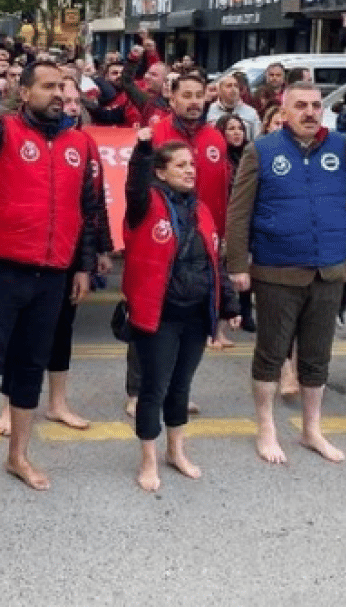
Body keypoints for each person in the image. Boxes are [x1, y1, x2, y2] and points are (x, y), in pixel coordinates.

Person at [226, 82, 346, 465]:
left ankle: (311, 429)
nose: (309, 112)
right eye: (300, 105)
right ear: (284, 111)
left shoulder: (340, 145)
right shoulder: (261, 150)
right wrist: (237, 264)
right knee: (271, 355)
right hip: (277, 271)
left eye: (316, 105)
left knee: (317, 357)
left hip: (328, 270)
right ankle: (266, 427)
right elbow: (239, 212)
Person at [0, 62, 101, 506]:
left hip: (53, 274)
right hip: (1, 270)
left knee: (31, 367)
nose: (58, 94)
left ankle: (18, 456)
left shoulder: (80, 144)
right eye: (48, 86)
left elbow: (88, 210)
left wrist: (83, 267)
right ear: (24, 93)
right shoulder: (2, 131)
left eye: (63, 87)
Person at [0, 77, 112, 437]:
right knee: (19, 333)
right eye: (64, 98)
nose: (69, 104)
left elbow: (93, 206)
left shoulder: (84, 144)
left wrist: (92, 258)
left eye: (75, 100)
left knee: (61, 330)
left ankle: (58, 403)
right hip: (27, 254)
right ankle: (8, 407)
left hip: (67, 255)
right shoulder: (18, 135)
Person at [125, 129, 238, 491]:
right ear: (160, 172)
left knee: (181, 386)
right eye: (181, 165)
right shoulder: (145, 204)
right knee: (153, 388)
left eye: (192, 164)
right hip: (159, 315)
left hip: (195, 316)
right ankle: (148, 460)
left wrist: (229, 304)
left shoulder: (201, 210)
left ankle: (176, 451)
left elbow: (214, 262)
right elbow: (135, 181)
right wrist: (144, 149)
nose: (190, 170)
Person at [217, 114, 254, 332]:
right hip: (226, 219)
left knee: (245, 267)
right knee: (224, 270)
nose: (236, 132)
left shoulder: (250, 155)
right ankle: (223, 319)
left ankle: (245, 312)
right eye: (230, 129)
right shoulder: (220, 158)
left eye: (239, 128)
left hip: (248, 220)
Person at [205, 72, 262, 139]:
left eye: (236, 86)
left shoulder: (251, 112)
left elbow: (258, 138)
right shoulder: (211, 109)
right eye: (229, 86)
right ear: (219, 90)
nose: (233, 89)